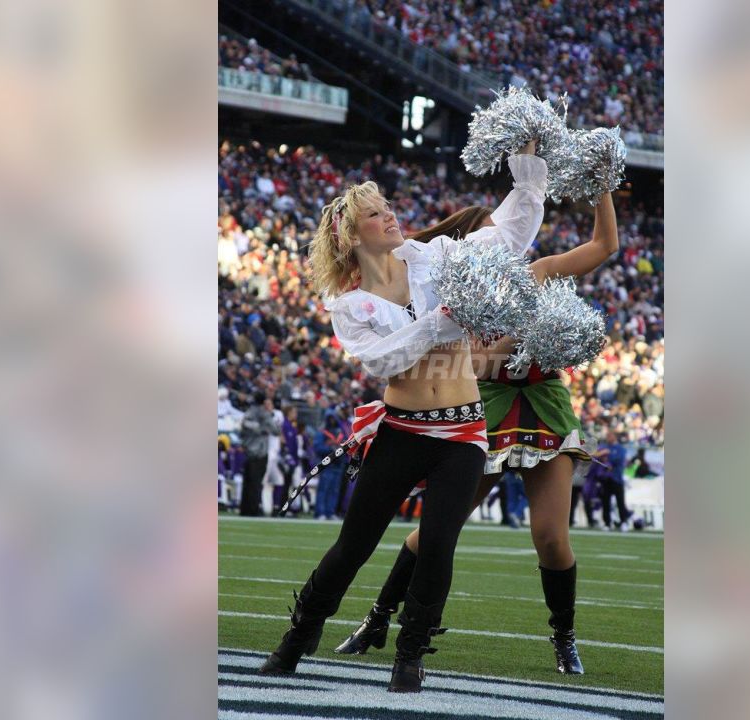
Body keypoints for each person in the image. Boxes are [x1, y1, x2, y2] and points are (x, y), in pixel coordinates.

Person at [257, 141, 546, 692]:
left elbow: (510, 234)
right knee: (354, 546)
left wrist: (527, 170)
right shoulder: (349, 304)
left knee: (438, 542)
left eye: (386, 205)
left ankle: (410, 655)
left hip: (462, 431)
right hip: (401, 431)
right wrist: (440, 322)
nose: (389, 214)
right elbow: (382, 362)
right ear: (350, 235)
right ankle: (297, 639)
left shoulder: (435, 257)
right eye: (374, 212)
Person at [334, 190, 619, 675]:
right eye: (492, 234)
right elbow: (473, 361)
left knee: (551, 537)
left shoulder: (538, 273)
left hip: (542, 405)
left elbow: (604, 246)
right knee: (437, 531)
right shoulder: (446, 291)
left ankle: (564, 637)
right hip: (481, 408)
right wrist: (514, 339)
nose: (505, 242)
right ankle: (377, 618)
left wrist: (603, 187)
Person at [238, 392, 279, 517]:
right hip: (260, 451)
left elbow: (243, 428)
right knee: (256, 482)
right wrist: (264, 428)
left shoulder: (248, 413)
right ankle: (254, 508)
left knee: (248, 481)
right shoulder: (265, 414)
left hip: (249, 450)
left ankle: (244, 509)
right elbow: (276, 430)